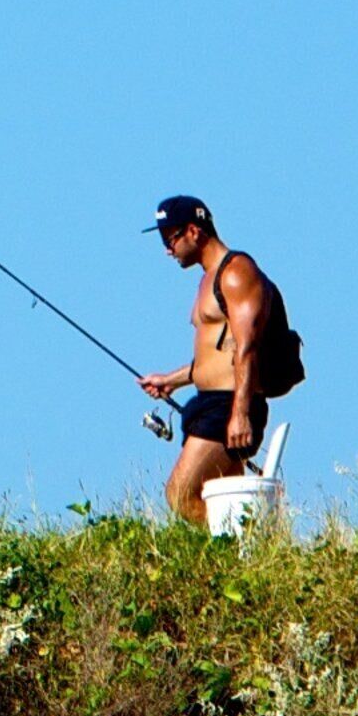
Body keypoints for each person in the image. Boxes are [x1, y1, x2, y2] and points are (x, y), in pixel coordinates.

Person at [137, 195, 291, 527]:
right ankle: (243, 548)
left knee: (180, 494)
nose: (167, 250)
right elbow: (217, 355)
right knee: (225, 501)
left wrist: (240, 414)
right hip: (209, 403)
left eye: (170, 239)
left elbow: (246, 347)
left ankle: (228, 548)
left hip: (229, 405)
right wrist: (171, 380)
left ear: (194, 231)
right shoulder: (207, 279)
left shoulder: (237, 272)